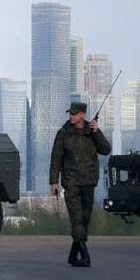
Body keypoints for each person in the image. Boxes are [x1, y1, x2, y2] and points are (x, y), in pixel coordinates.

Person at [49, 101, 111, 267]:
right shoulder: (63, 133)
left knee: (84, 219)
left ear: (82, 115)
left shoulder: (91, 131)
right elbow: (56, 158)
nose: (71, 116)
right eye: (70, 113)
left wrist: (97, 132)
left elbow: (106, 149)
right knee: (77, 219)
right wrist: (54, 181)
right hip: (71, 182)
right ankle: (85, 256)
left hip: (89, 181)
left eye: (74, 113)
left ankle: (72, 255)